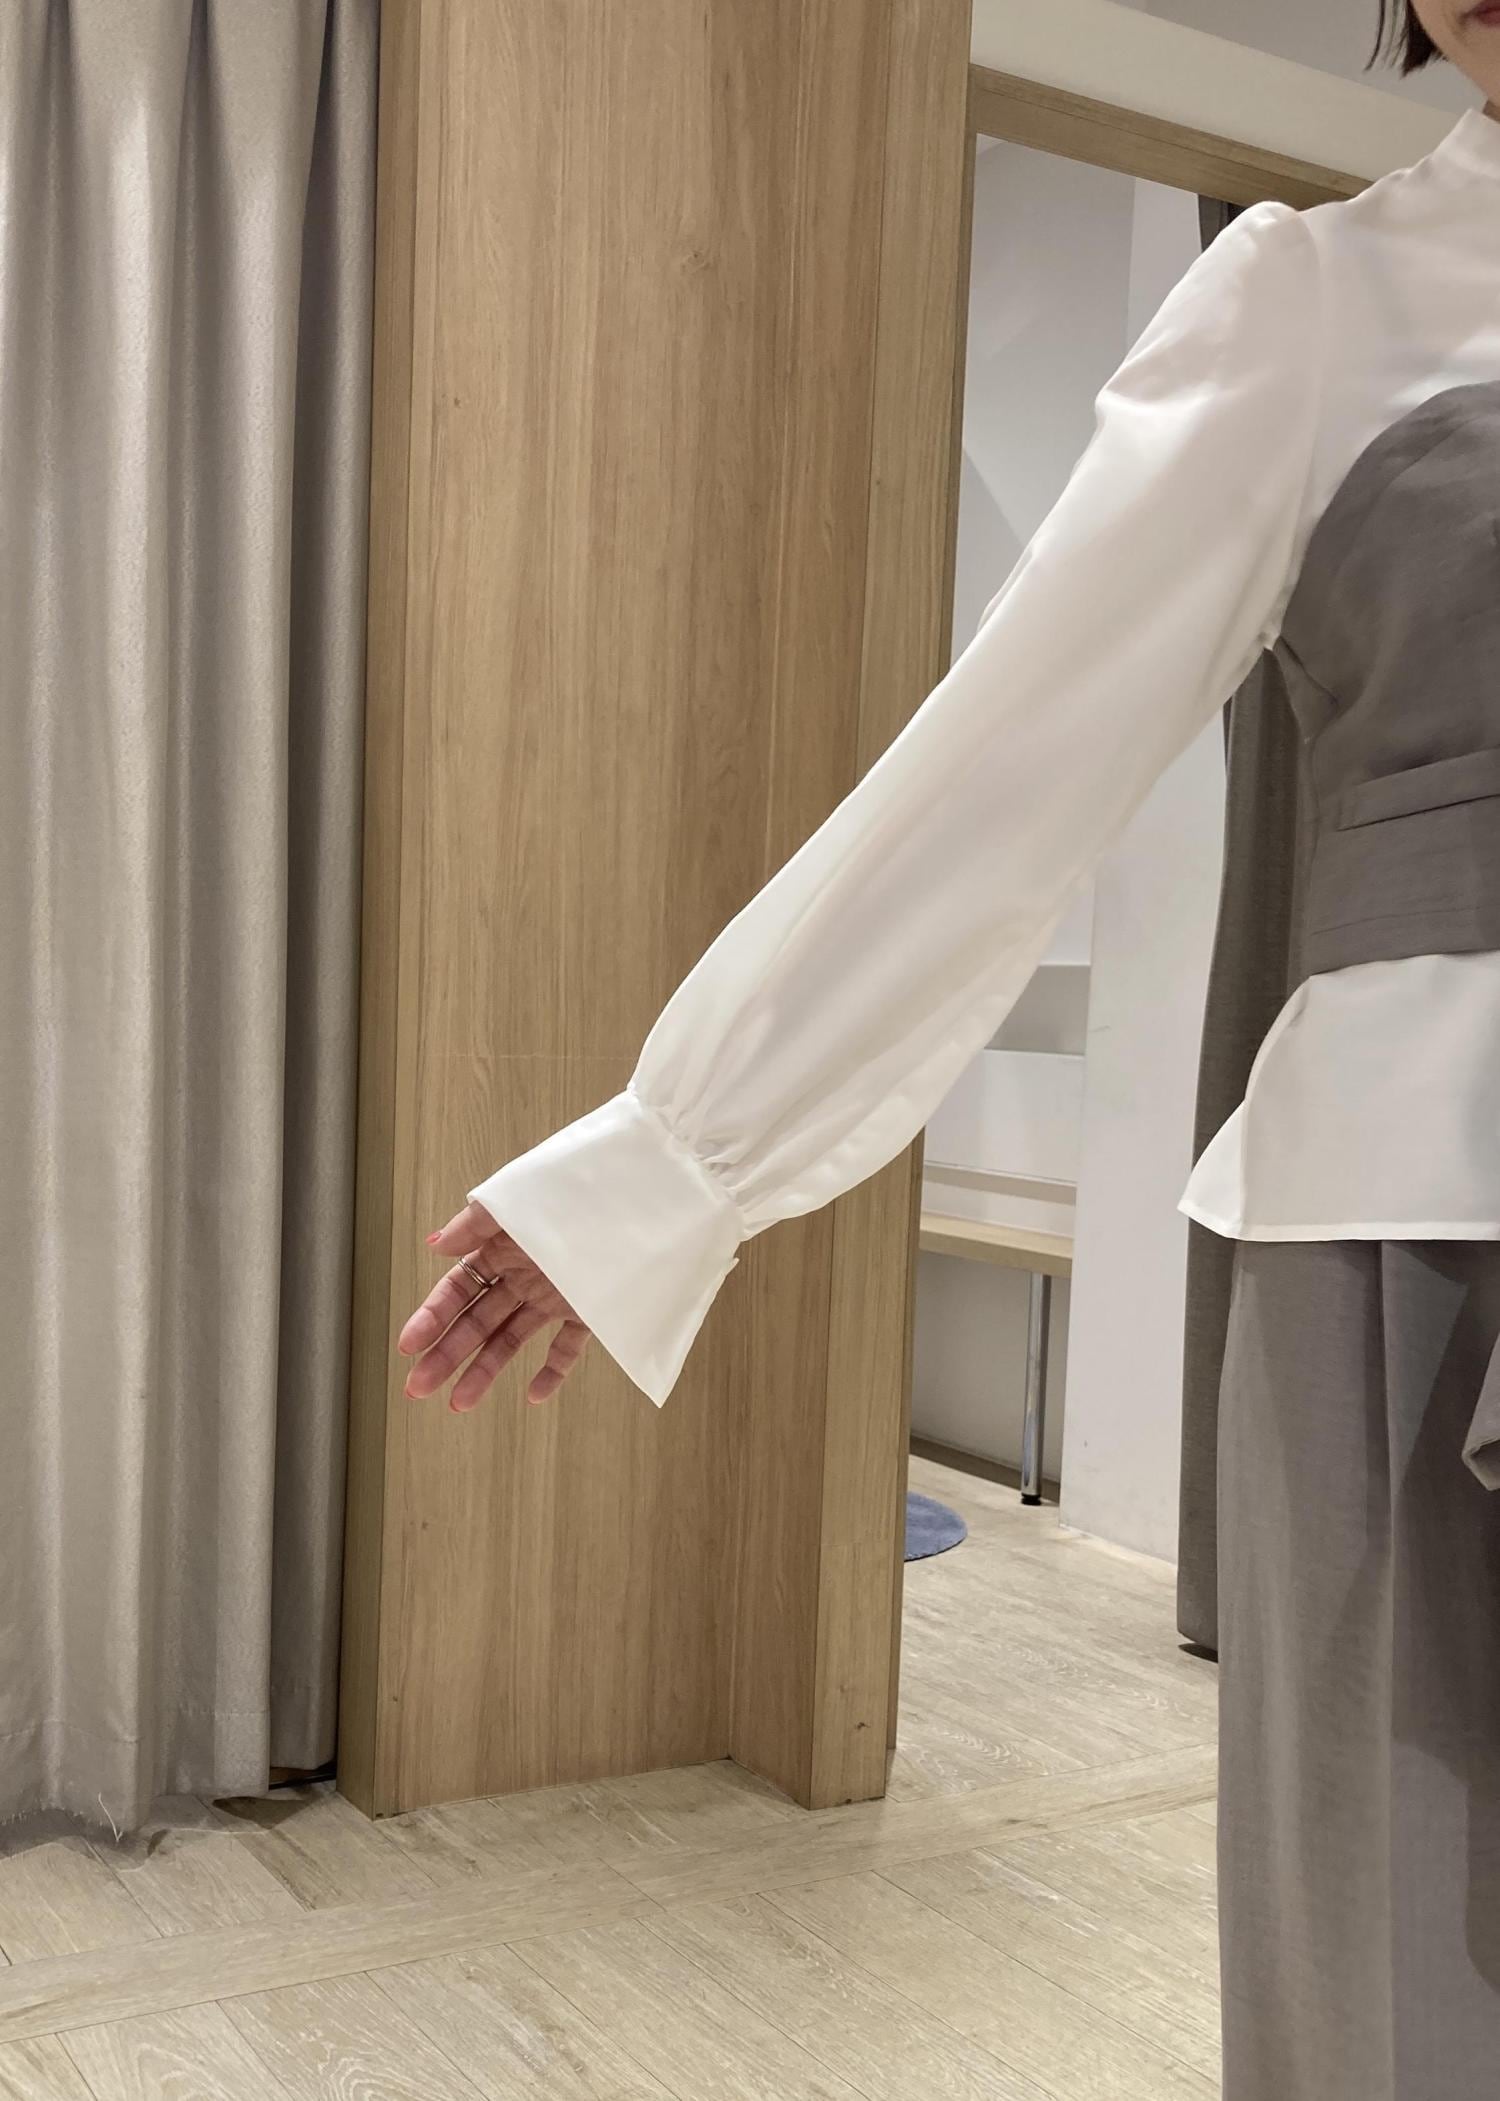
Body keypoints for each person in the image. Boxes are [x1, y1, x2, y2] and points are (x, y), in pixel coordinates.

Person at [400, 4, 1500, 2094]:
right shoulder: (1318, 302)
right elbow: (1000, 766)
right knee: (1413, 1973)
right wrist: (672, 1154)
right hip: (1425, 1233)